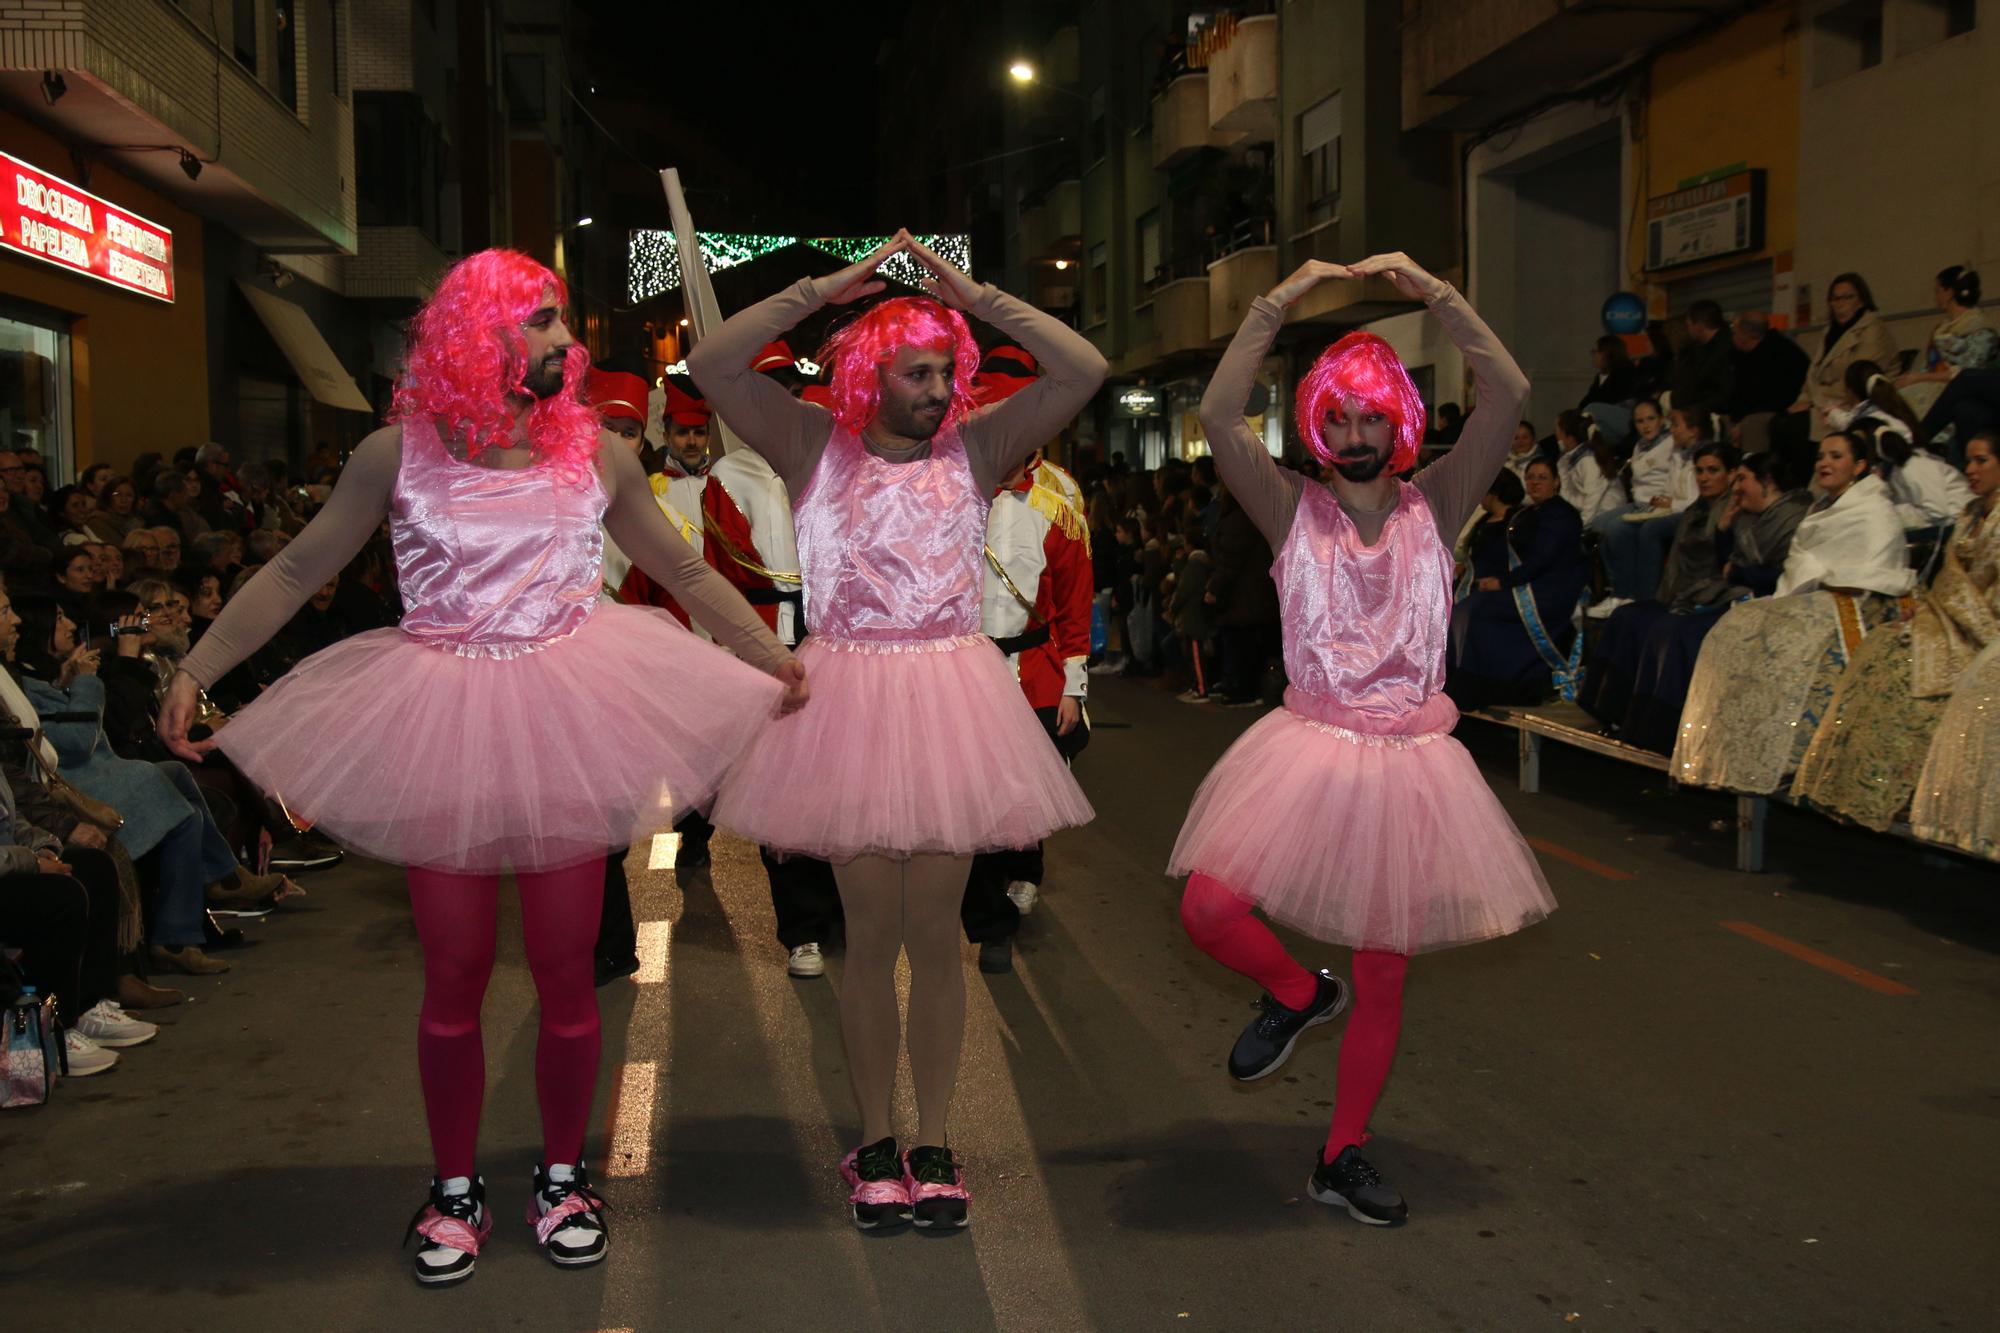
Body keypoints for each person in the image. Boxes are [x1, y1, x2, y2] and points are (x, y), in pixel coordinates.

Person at [155, 249, 805, 1287]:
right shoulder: (392, 454)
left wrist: (767, 654)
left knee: (567, 969)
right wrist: (196, 664)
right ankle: (452, 1188)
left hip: (562, 706)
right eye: (541, 321)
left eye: (559, 321)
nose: (563, 340)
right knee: (452, 974)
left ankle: (560, 1175)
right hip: (443, 710)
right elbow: (294, 567)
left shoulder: (596, 454)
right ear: (479, 338)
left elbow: (679, 568)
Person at [689, 231, 1103, 1232]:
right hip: (849, 700)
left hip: (953, 693)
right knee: (866, 938)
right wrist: (821, 290)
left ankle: (935, 1138)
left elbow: (1082, 368)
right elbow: (710, 363)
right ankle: (874, 1137)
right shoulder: (808, 448)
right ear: (867, 375)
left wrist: (977, 296)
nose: (936, 387)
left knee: (938, 937)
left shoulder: (976, 448)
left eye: (944, 370)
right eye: (916, 371)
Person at [1171, 254, 1553, 1228]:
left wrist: (1436, 295)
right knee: (1210, 909)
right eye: (1335, 418)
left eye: (1370, 418)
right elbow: (1216, 417)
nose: (1351, 436)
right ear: (1313, 424)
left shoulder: (1442, 501)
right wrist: (1276, 303)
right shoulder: (1284, 505)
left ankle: (1341, 1151)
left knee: (1384, 969)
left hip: (1410, 762)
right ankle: (1297, 992)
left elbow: (1507, 389)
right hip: (1308, 741)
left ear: (1399, 422)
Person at [700, 342, 841, 981]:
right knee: (782, 795)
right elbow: (718, 580)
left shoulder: (836, 464)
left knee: (842, 782)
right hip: (768, 649)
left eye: (787, 389)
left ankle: (840, 911)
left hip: (842, 642)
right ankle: (802, 929)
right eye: (767, 392)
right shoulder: (727, 479)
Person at [1672, 427, 1914, 794]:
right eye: (1822, 456)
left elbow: (1878, 569)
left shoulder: (1873, 508)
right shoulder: (1823, 507)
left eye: (1837, 456)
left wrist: (1825, 584)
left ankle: (1790, 754)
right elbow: (1803, 563)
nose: (1825, 463)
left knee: (1788, 639)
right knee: (1739, 624)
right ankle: (1734, 751)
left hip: (1860, 603)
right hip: (1817, 594)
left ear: (1860, 465)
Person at [1797, 432, 2000, 830]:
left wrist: (1951, 614)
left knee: (1911, 677)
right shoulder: (1970, 514)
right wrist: (1930, 608)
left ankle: (1901, 794)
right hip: (1950, 618)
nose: (1970, 470)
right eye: (1969, 461)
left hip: (1985, 625)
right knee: (1883, 649)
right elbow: (1949, 577)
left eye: (1981, 462)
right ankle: (1850, 786)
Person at [961, 423, 1093, 973]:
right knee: (975, 794)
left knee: (1024, 792)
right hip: (967, 669)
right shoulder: (954, 493)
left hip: (1034, 668)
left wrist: (1075, 685)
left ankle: (1025, 868)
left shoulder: (1058, 501)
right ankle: (991, 923)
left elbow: (1073, 598)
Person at [1578, 444, 1789, 752]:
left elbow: (1730, 567)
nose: (1704, 477)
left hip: (1717, 596)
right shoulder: (1696, 509)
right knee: (1626, 617)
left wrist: (1721, 548)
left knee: (1666, 629)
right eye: (1699, 471)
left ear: (1732, 475)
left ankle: (1657, 729)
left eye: (1713, 470)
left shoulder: (1739, 510)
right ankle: (1612, 711)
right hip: (1687, 592)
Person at [1447, 455, 1587, 708]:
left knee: (1478, 612)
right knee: (1463, 606)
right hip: (1528, 582)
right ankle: (1456, 681)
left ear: (1556, 482)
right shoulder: (1530, 512)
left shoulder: (1561, 514)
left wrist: (1504, 581)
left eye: (1542, 478)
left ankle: (1496, 688)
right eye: (1530, 477)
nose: (1535, 483)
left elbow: (1543, 558)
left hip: (1548, 590)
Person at [1590, 403, 1704, 612]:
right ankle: (1619, 592)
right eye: (1639, 421)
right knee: (1600, 527)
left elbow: (1696, 497)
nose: (1672, 429)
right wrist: (1664, 500)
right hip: (1655, 504)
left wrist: (1670, 503)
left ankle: (1641, 597)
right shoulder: (1672, 451)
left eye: (1651, 419)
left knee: (1625, 529)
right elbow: (1669, 484)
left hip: (1682, 510)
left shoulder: (1685, 450)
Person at [1788, 273, 1901, 445]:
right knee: (1780, 422)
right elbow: (1813, 375)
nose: (1840, 303)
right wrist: (1803, 400)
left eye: (1847, 297)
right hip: (1823, 403)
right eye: (1835, 298)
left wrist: (1816, 403)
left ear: (1862, 300)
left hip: (1854, 404)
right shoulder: (1829, 333)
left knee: (1794, 427)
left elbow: (1859, 377)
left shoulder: (1874, 330)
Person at [1895, 266, 1997, 421]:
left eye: (1938, 291)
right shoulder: (1940, 329)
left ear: (1949, 293)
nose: (1936, 297)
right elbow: (1929, 364)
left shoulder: (1981, 329)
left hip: (1959, 392)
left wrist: (1920, 378)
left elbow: (1968, 373)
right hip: (1932, 383)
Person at [1726, 311, 1809, 454]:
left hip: (1773, 415)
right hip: (1745, 414)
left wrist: (1742, 423)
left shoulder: (1782, 354)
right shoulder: (1741, 354)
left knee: (1753, 425)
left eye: (1734, 331)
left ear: (1745, 334)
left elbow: (1772, 397)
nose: (1732, 336)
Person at [1553, 409, 1628, 525]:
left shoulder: (1589, 460)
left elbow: (1593, 497)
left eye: (1558, 431)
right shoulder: (1565, 460)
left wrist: (1581, 525)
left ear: (1570, 437)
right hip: (1584, 514)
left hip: (1606, 514)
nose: (1556, 435)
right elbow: (1566, 493)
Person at [1670, 300, 1735, 423]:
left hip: (1718, 416)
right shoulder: (1698, 349)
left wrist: (1694, 409)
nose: (1688, 330)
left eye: (1689, 325)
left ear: (1699, 325)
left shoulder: (1727, 349)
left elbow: (1725, 391)